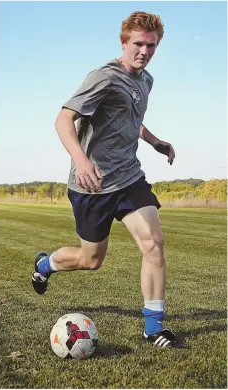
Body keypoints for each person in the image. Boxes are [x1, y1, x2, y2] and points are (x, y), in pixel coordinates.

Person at [32, 11, 188, 349]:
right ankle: (45, 264)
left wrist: (156, 142)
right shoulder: (103, 77)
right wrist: (81, 160)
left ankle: (154, 327)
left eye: (151, 45)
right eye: (138, 44)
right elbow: (63, 119)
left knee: (153, 242)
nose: (144, 51)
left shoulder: (145, 81)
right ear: (123, 42)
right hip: (93, 184)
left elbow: (132, 119)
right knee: (91, 260)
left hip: (130, 177)